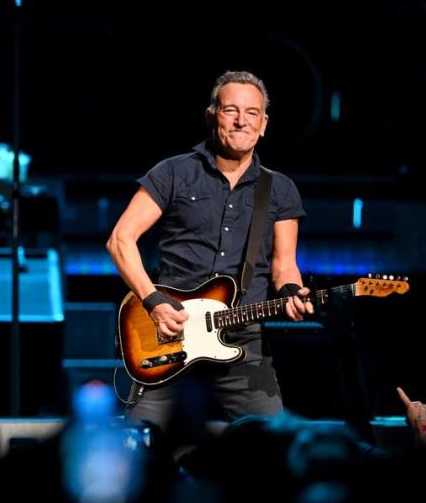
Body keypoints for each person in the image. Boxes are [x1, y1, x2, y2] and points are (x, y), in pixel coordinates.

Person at [106, 70, 312, 430]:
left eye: (251, 113)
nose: (241, 120)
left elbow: (284, 267)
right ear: (211, 115)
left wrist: (292, 292)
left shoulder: (280, 189)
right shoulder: (173, 173)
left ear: (264, 124)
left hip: (244, 342)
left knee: (273, 448)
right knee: (137, 446)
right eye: (230, 109)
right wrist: (152, 302)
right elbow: (120, 239)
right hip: (169, 334)